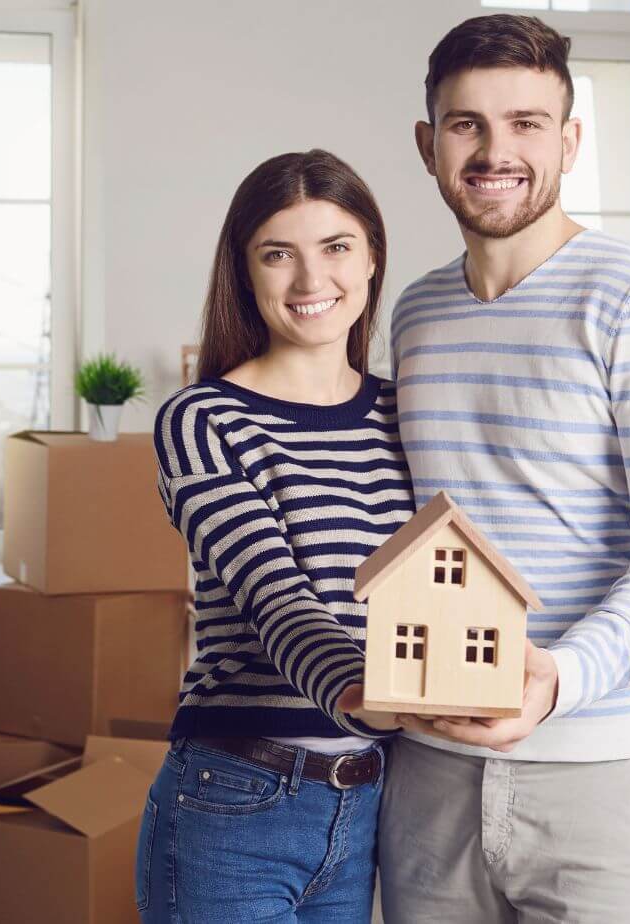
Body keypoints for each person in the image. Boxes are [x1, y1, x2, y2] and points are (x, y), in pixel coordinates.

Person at [377, 14, 630, 924]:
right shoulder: (413, 314)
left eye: (528, 122)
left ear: (569, 141)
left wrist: (562, 677)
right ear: (429, 144)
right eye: (467, 124)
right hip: (429, 783)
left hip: (601, 776)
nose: (497, 150)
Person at [135, 148, 408, 924]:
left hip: (367, 801)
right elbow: (276, 600)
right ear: (245, 272)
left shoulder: (407, 414)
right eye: (278, 254)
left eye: (336, 247)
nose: (310, 280)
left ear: (372, 258)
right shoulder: (202, 420)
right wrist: (370, 697)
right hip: (233, 801)